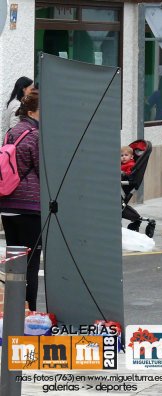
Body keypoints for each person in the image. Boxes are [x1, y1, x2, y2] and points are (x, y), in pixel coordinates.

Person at [0, 90, 42, 311]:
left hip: (7, 205)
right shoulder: (35, 135)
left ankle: (14, 313)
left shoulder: (12, 132)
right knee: (31, 265)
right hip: (29, 208)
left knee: (15, 266)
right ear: (34, 110)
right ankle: (30, 313)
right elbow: (44, 170)